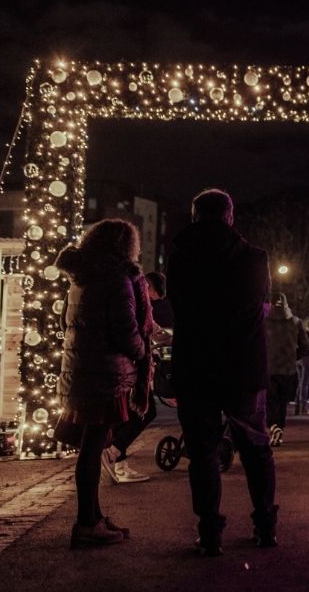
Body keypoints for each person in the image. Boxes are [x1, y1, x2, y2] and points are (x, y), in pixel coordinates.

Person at [168, 188, 277, 556]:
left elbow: (179, 308)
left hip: (196, 365)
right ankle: (265, 525)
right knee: (255, 448)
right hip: (243, 366)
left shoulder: (180, 256)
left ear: (195, 215)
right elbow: (261, 308)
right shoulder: (254, 258)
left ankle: (209, 531)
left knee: (202, 453)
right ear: (230, 216)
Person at [55, 219, 151, 548]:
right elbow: (125, 329)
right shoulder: (117, 279)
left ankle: (93, 516)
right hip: (107, 374)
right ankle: (87, 523)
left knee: (91, 447)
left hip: (82, 369)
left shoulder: (81, 278)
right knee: (93, 448)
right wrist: (141, 352)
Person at [100, 271, 174, 484]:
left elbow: (148, 326)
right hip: (127, 365)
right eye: (152, 295)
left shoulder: (125, 293)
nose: (152, 300)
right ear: (147, 285)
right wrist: (146, 347)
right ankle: (113, 453)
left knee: (125, 413)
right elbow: (137, 328)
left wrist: (159, 334)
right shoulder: (133, 298)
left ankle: (119, 462)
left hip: (121, 365)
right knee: (145, 410)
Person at [264, 292, 309, 445]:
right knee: (282, 403)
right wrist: (293, 356)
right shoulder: (296, 322)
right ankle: (279, 430)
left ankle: (273, 426)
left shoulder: (264, 322)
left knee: (270, 401)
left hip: (269, 368)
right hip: (288, 369)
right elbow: (306, 346)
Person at [294, 323, 309, 415]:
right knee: (304, 384)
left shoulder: (296, 331)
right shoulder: (307, 332)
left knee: (300, 384)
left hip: (297, 359)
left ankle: (297, 407)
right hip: (306, 358)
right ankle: (303, 408)